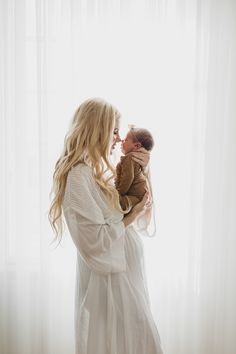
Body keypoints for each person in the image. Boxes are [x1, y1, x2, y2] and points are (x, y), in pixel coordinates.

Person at [48, 98, 164, 354]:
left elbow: (141, 218)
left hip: (125, 282)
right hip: (111, 288)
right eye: (114, 130)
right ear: (96, 129)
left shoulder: (94, 172)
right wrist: (131, 216)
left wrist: (144, 173)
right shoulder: (78, 177)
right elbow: (95, 243)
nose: (119, 138)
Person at [115, 126, 154, 212]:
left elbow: (128, 177)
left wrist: (118, 193)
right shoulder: (135, 160)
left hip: (136, 196)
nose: (121, 141)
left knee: (119, 203)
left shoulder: (129, 158)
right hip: (140, 195)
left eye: (125, 140)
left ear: (136, 146)